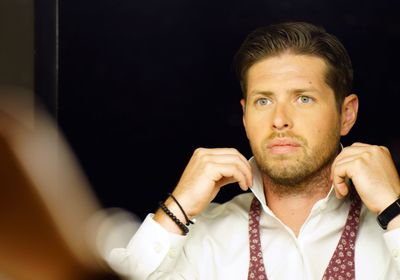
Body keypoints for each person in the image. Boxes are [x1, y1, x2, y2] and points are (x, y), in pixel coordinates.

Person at [109, 21, 400, 279]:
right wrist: (176, 208)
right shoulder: (203, 238)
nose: (279, 120)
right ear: (246, 117)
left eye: (303, 99)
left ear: (346, 114)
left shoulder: (390, 228)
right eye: (263, 101)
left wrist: (394, 211)